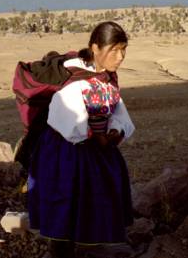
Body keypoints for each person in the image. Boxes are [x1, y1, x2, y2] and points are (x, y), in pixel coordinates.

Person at [27, 21, 135, 258]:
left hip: (98, 148)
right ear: (95, 48)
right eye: (114, 50)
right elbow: (69, 119)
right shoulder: (73, 80)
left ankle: (86, 246)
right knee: (67, 202)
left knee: (91, 203)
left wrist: (116, 131)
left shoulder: (108, 77)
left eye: (123, 49)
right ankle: (60, 251)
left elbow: (117, 109)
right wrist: (96, 136)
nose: (121, 56)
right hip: (67, 152)